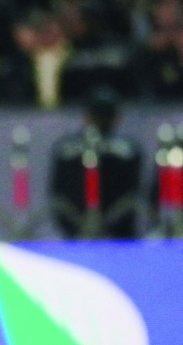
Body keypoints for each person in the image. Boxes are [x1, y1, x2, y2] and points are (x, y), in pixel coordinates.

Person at [49, 87, 142, 239]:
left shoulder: (128, 150)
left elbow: (133, 195)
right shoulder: (129, 149)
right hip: (81, 228)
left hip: (114, 230)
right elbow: (58, 195)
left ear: (86, 117)